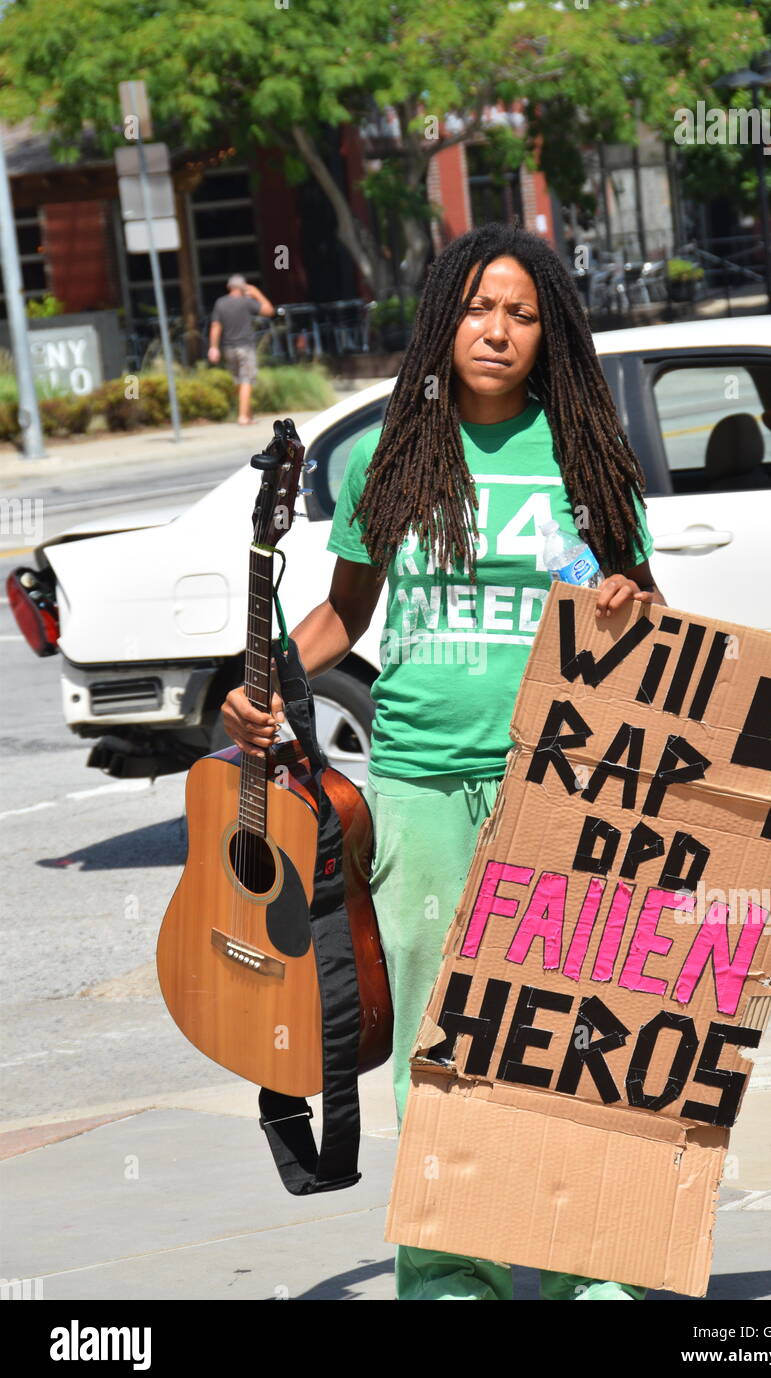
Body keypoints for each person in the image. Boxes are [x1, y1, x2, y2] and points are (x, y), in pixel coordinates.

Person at [221, 222, 668, 1300]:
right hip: (416, 790)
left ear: (548, 329)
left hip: (554, 789)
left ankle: (581, 1277)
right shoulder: (395, 454)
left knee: (560, 1041)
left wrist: (624, 600)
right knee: (437, 1051)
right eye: (478, 308)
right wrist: (267, 676)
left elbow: (648, 614)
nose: (498, 330)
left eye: (520, 312)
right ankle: (447, 1275)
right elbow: (343, 613)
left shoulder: (583, 455)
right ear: (442, 321)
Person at [208, 274, 274, 424]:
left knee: (238, 380)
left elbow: (215, 326)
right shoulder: (246, 302)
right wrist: (257, 293)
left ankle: (247, 414)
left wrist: (213, 347)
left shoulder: (220, 303)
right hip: (245, 346)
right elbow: (269, 311)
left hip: (228, 347)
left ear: (229, 287)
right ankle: (243, 416)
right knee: (247, 380)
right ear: (243, 287)